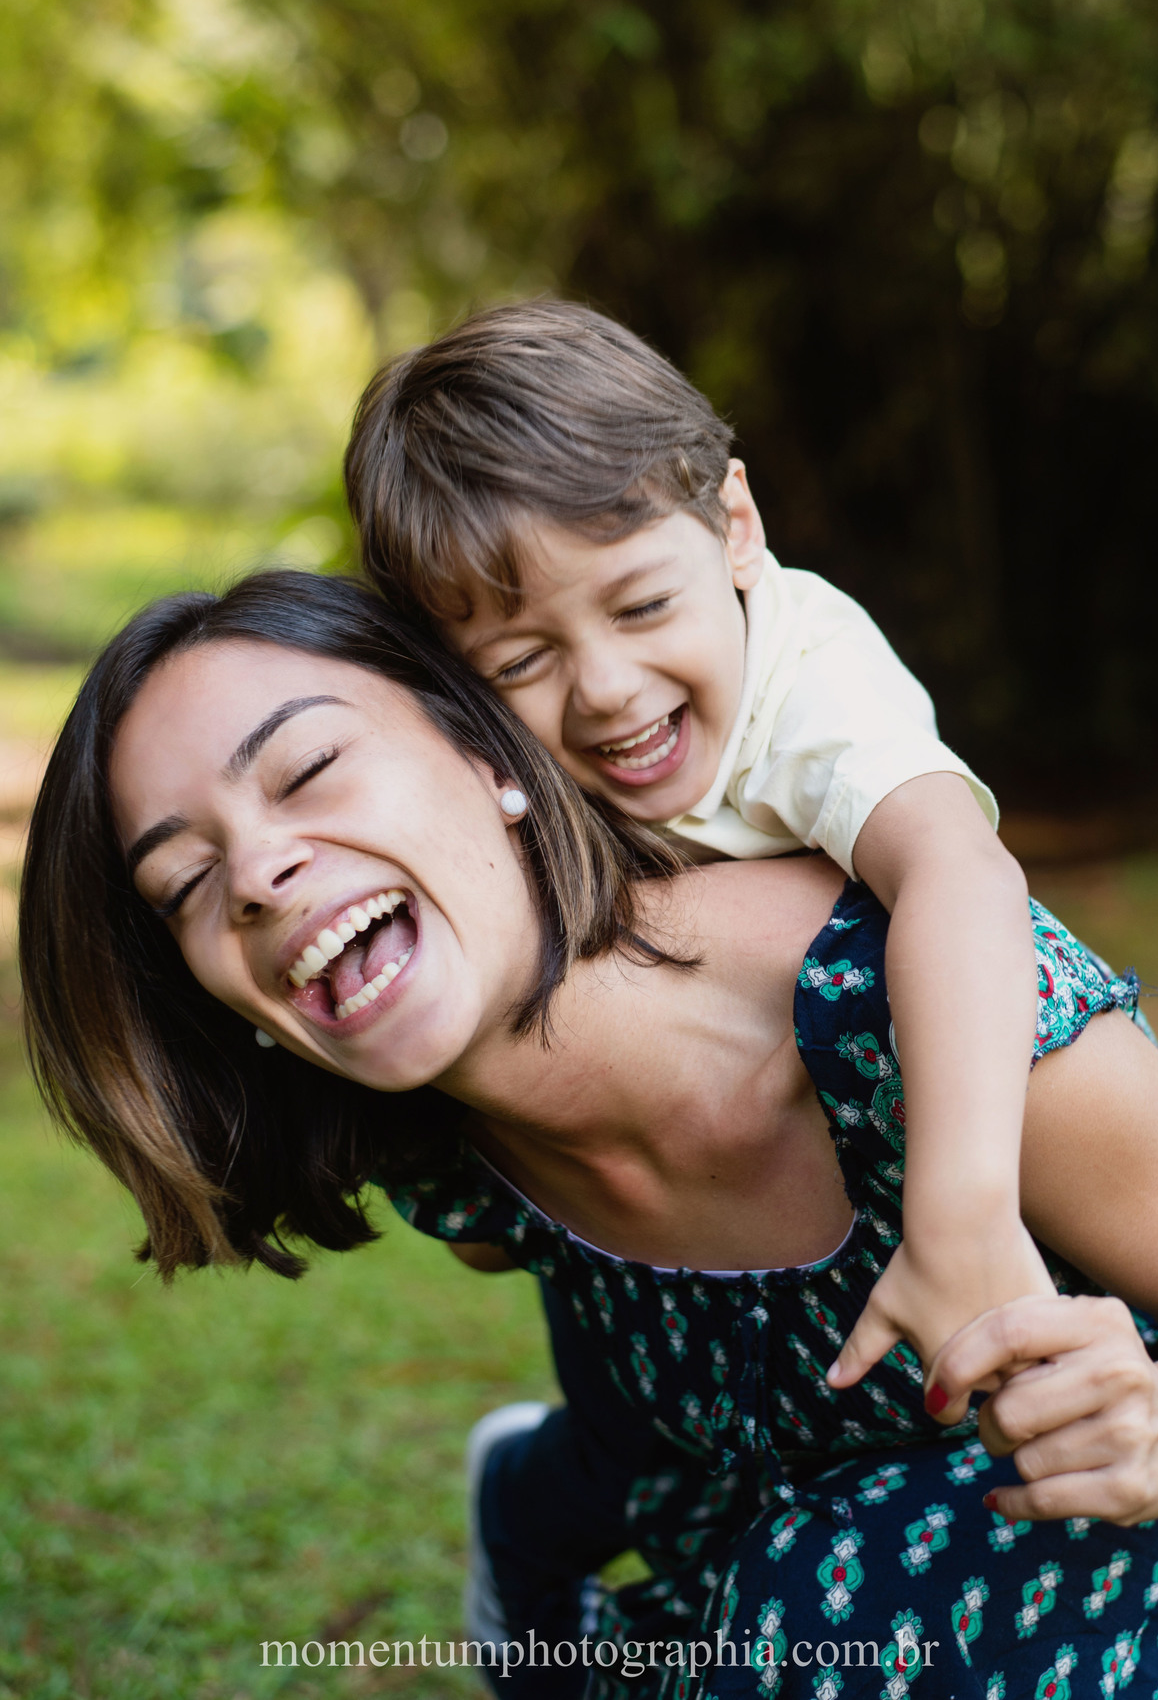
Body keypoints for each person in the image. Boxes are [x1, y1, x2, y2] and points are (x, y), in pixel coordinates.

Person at [20, 570, 1158, 1699]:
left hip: (1128, 1522)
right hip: (754, 1529)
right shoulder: (453, 1166)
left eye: (310, 769)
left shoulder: (910, 1014)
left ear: (489, 753)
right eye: (187, 881)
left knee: (831, 1600)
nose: (255, 876)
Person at [342, 300, 1045, 1407]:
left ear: (736, 525)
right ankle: (561, 1478)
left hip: (901, 1142)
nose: (607, 688)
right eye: (521, 661)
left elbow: (959, 875)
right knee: (624, 1395)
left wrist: (963, 1214)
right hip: (648, 1214)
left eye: (643, 604)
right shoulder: (495, 764)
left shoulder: (814, 696)